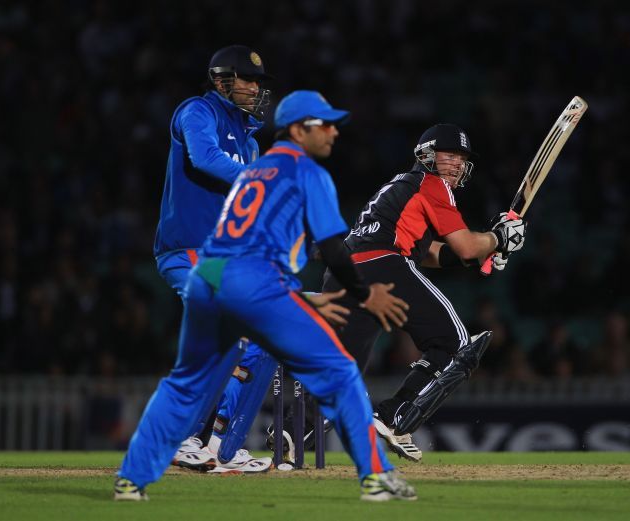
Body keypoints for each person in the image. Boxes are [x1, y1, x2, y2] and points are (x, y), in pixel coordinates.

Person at [114, 90, 417, 502]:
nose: (332, 132)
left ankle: (134, 477)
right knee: (340, 372)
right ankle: (377, 479)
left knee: (185, 382)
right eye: (322, 124)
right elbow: (332, 251)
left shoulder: (252, 172)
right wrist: (363, 294)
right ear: (296, 130)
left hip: (214, 273)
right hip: (252, 280)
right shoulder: (307, 174)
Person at [317, 123, 528, 461]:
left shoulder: (400, 186)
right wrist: (498, 239)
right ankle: (394, 417)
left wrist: (484, 250)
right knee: (455, 343)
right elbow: (465, 247)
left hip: (343, 272)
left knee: (342, 372)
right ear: (426, 155)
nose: (457, 164)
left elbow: (430, 251)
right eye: (450, 156)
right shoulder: (432, 184)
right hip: (384, 266)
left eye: (462, 158)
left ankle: (291, 432)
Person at [152, 44, 274, 473]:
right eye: (249, 79)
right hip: (186, 249)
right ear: (223, 79)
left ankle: (220, 448)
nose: (256, 88)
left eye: (258, 81)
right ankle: (180, 438)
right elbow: (203, 158)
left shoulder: (251, 141)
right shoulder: (196, 112)